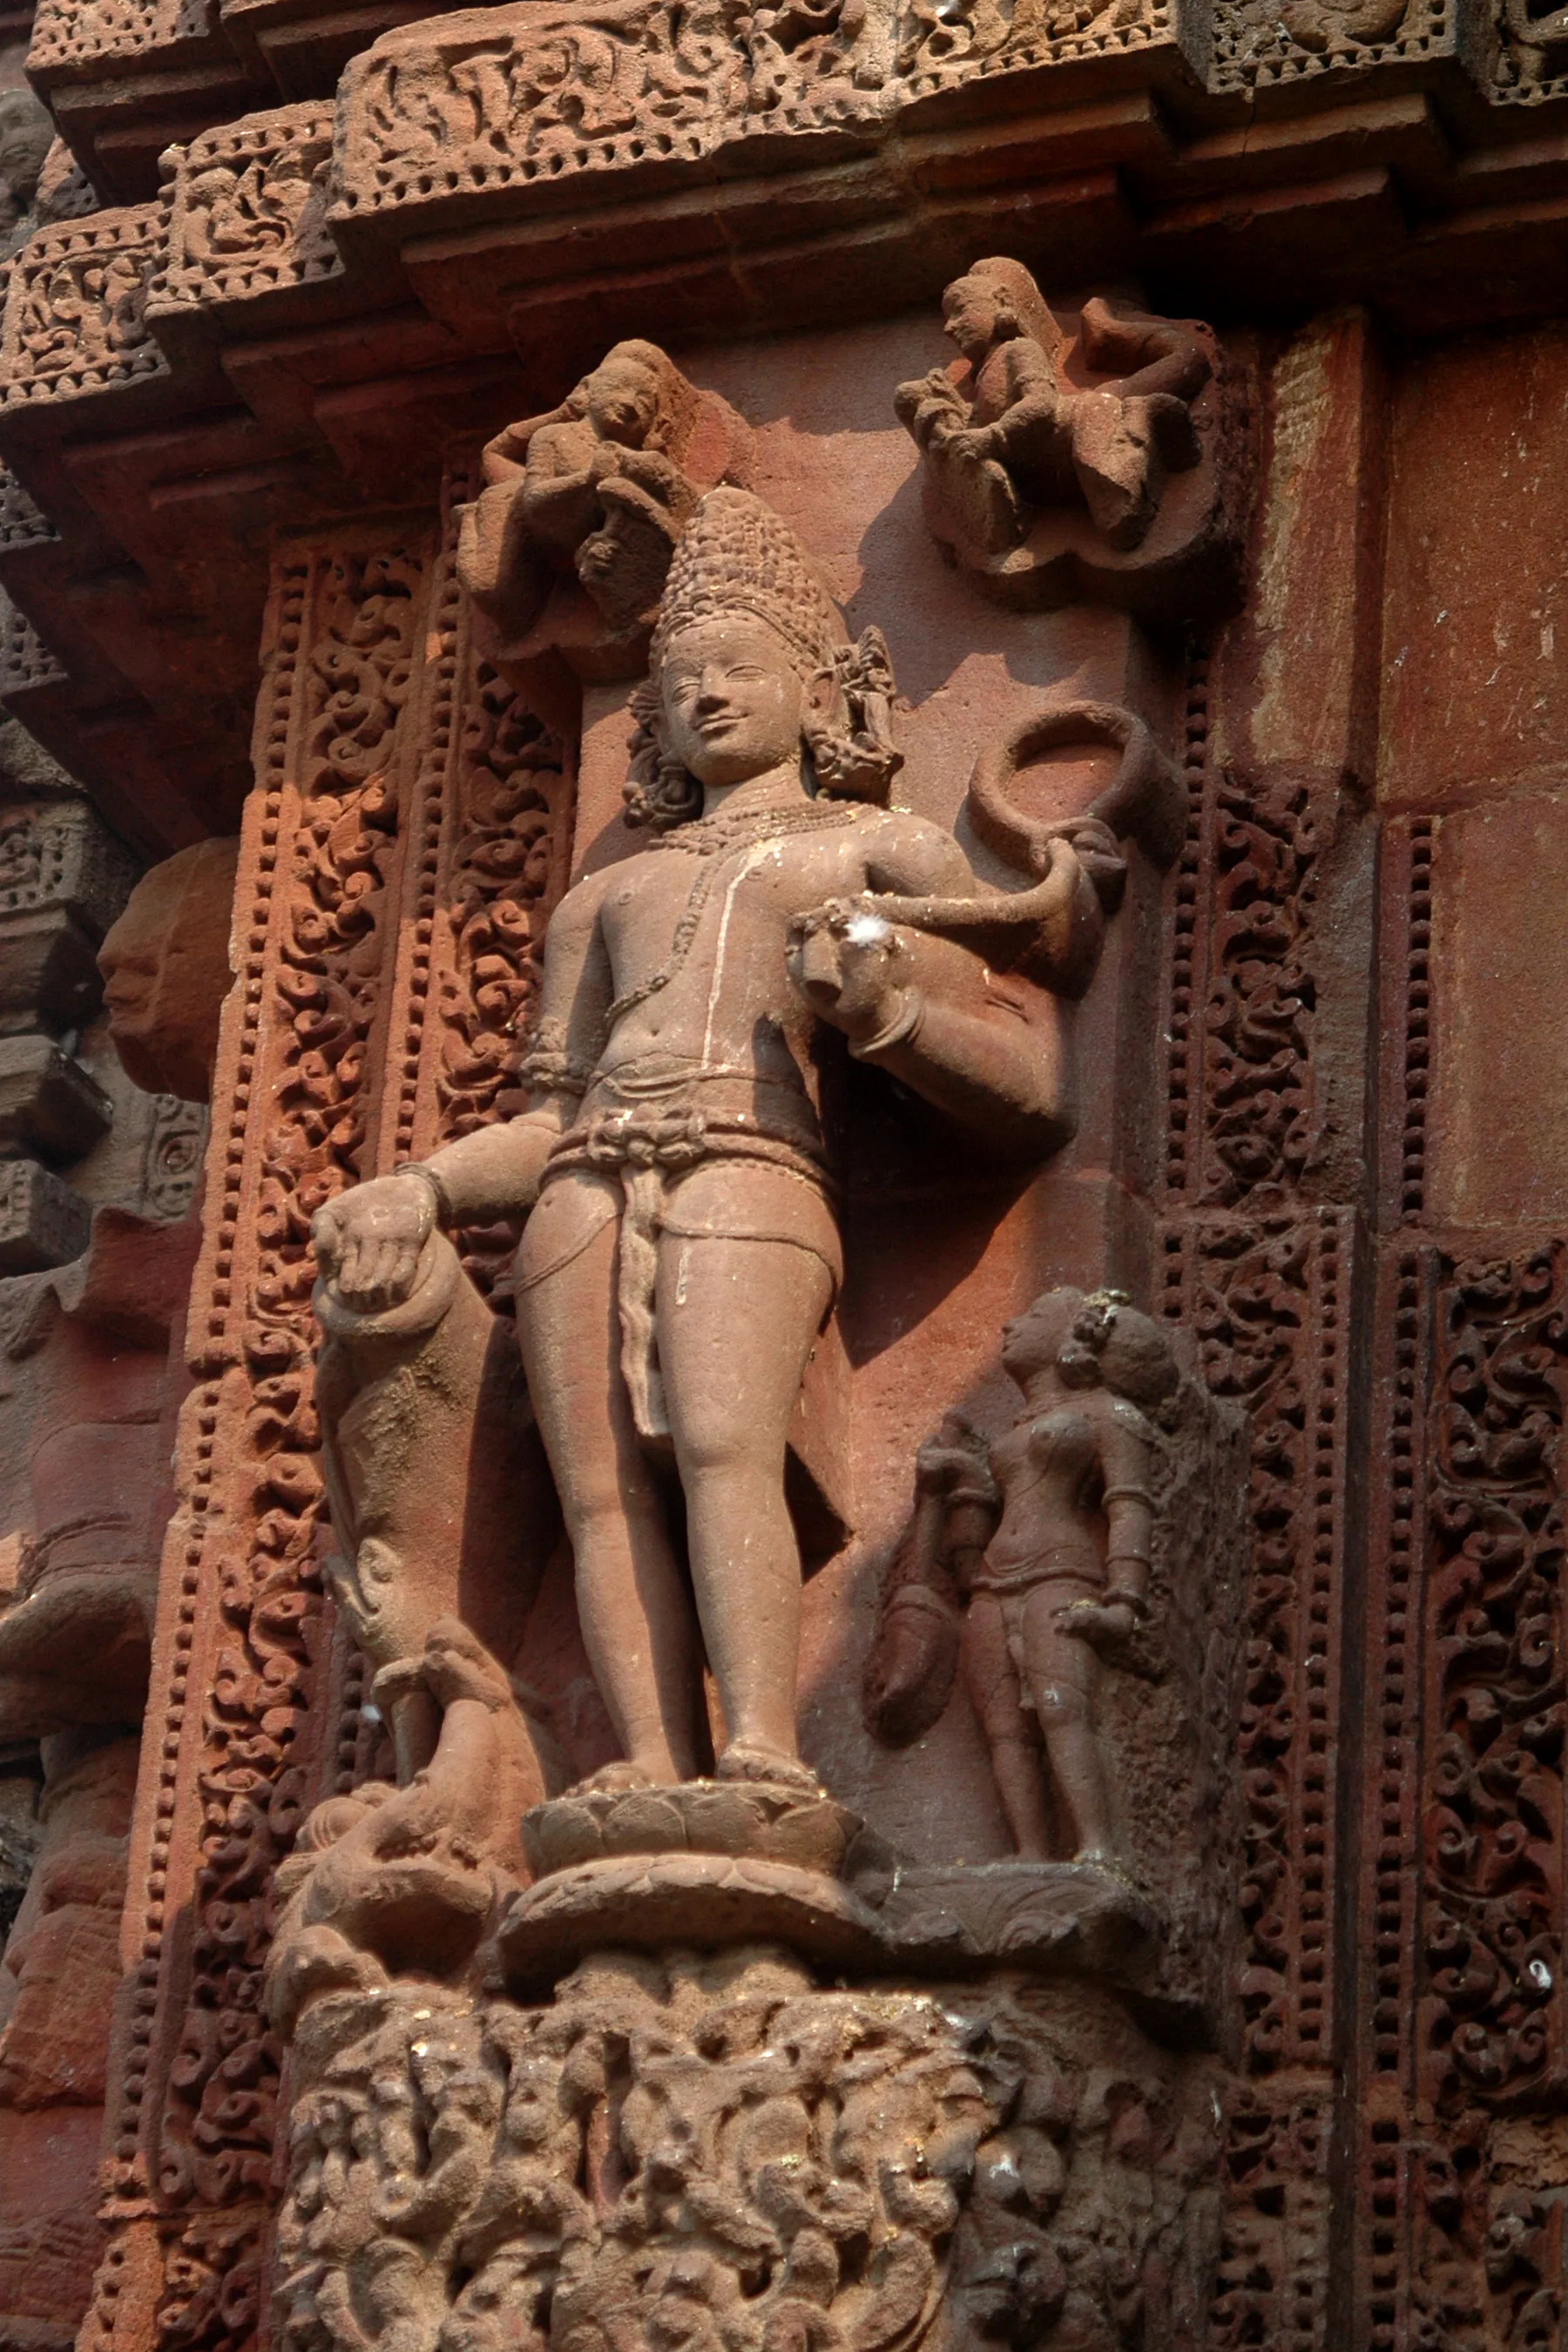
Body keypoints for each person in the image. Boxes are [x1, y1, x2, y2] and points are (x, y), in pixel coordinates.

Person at [313, 488, 1095, 1797]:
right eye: (681, 682)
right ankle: (657, 1762)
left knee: (730, 1448)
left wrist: (890, 1010)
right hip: (583, 1190)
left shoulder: (874, 847)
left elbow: (1024, 1084)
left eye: (741, 669)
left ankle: (762, 1751)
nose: (708, 697)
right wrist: (423, 1184)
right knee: (603, 1492)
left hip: (752, 1166)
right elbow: (552, 1113)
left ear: (820, 691)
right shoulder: (609, 893)